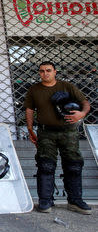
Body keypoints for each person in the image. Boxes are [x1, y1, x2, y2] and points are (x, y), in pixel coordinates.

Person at [24, 61, 91, 215]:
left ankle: (75, 200)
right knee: (45, 165)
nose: (45, 73)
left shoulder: (66, 86)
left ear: (55, 71)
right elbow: (29, 110)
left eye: (48, 70)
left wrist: (82, 114)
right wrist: (30, 129)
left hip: (68, 132)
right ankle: (46, 200)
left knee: (73, 165)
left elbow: (85, 102)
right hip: (46, 132)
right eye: (41, 71)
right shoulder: (34, 90)